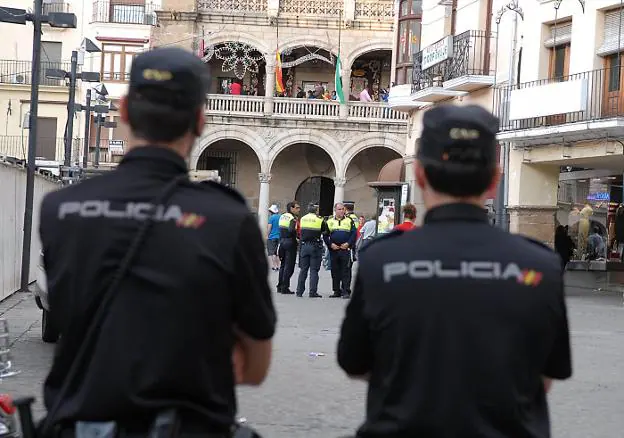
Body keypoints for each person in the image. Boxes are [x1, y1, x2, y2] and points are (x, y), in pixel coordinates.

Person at [38, 47, 277, 437]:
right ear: (200, 120)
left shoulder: (62, 208)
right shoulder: (227, 218)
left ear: (124, 110)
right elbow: (255, 368)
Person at [337, 104, 572, 438]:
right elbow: (546, 375)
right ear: (494, 180)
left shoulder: (381, 261)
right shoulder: (540, 267)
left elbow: (355, 363)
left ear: (419, 175)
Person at [324, 203, 356, 298]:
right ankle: (336, 291)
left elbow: (354, 234)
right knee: (335, 271)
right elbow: (325, 235)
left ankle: (346, 291)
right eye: (339, 209)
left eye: (343, 209)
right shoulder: (329, 222)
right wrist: (330, 244)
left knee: (346, 270)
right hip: (334, 250)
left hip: (345, 249)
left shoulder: (349, 221)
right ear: (335, 210)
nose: (342, 211)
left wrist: (348, 244)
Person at [295, 203, 327, 298]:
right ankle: (312, 292)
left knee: (303, 270)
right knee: (314, 270)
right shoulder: (319, 220)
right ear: (316, 211)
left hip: (304, 246)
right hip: (315, 246)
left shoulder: (303, 219)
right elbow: (325, 231)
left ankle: (299, 291)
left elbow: (299, 232)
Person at [277, 201, 300, 294]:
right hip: (290, 242)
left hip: (282, 241)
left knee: (283, 265)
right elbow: (291, 230)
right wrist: (296, 237)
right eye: (297, 208)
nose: (299, 210)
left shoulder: (282, 216)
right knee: (289, 266)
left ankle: (279, 286)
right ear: (291, 208)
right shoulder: (292, 218)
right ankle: (285, 287)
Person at [267, 204, 281, 271]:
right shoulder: (280, 217)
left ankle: (274, 266)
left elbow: (269, 227)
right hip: (279, 236)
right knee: (277, 252)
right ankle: (279, 266)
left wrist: (267, 235)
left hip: (272, 237)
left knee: (272, 253)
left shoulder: (271, 218)